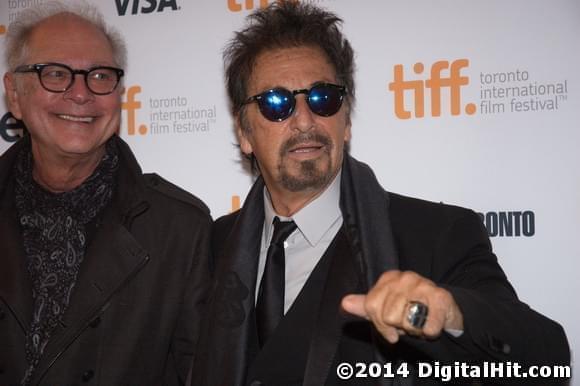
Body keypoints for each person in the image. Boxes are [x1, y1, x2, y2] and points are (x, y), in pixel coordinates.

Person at [190, 2, 570, 385]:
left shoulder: (437, 235)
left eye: (323, 98)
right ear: (244, 134)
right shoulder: (214, 243)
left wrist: (452, 315)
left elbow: (548, 360)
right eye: (276, 102)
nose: (304, 119)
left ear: (347, 119)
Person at [0, 2, 211, 385]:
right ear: (14, 94)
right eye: (56, 74)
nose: (81, 94)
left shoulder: (181, 230)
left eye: (99, 75)